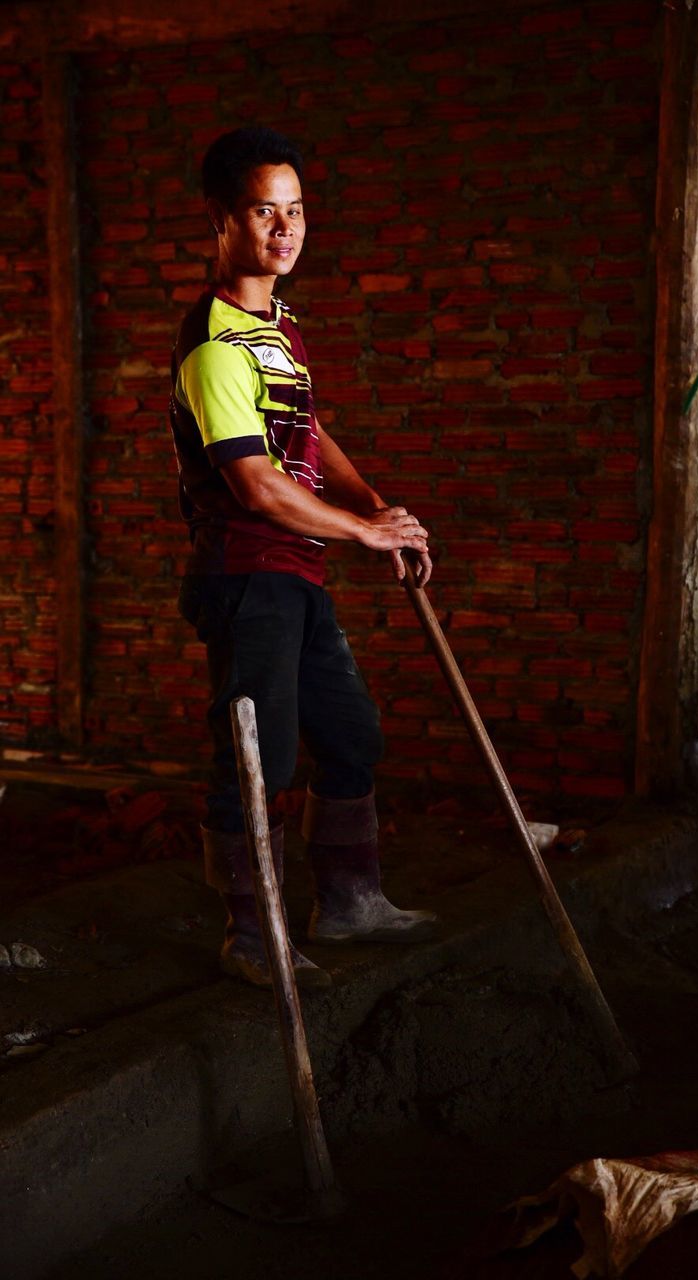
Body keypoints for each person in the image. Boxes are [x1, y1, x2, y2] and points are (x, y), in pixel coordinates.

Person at [169, 126, 436, 991]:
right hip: (248, 575)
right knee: (259, 760)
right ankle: (252, 937)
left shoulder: (273, 327)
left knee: (351, 737)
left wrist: (371, 507)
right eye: (262, 212)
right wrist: (362, 536)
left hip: (298, 567)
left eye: (295, 211)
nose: (284, 229)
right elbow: (254, 484)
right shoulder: (215, 346)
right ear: (221, 222)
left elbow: (304, 436)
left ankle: (350, 902)